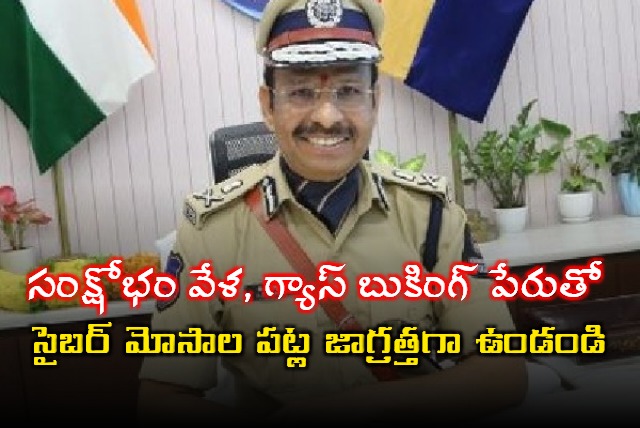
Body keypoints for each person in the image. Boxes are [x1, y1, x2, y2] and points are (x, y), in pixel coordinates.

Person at [136, 0, 527, 424]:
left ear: (375, 102)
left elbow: (502, 374)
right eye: (301, 92)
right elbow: (160, 398)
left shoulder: (429, 215)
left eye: (349, 91)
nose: (327, 117)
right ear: (268, 106)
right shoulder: (212, 229)